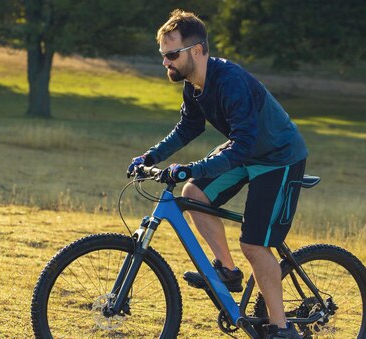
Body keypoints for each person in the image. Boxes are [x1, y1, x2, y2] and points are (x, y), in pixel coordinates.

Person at [127, 9, 308, 339]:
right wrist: (149, 156)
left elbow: (241, 146)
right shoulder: (194, 86)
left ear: (196, 50)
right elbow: (188, 128)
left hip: (279, 158)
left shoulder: (230, 82)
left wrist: (192, 168)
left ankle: (282, 329)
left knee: (254, 245)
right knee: (193, 193)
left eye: (171, 55)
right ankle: (227, 270)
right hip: (247, 151)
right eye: (163, 55)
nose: (165, 63)